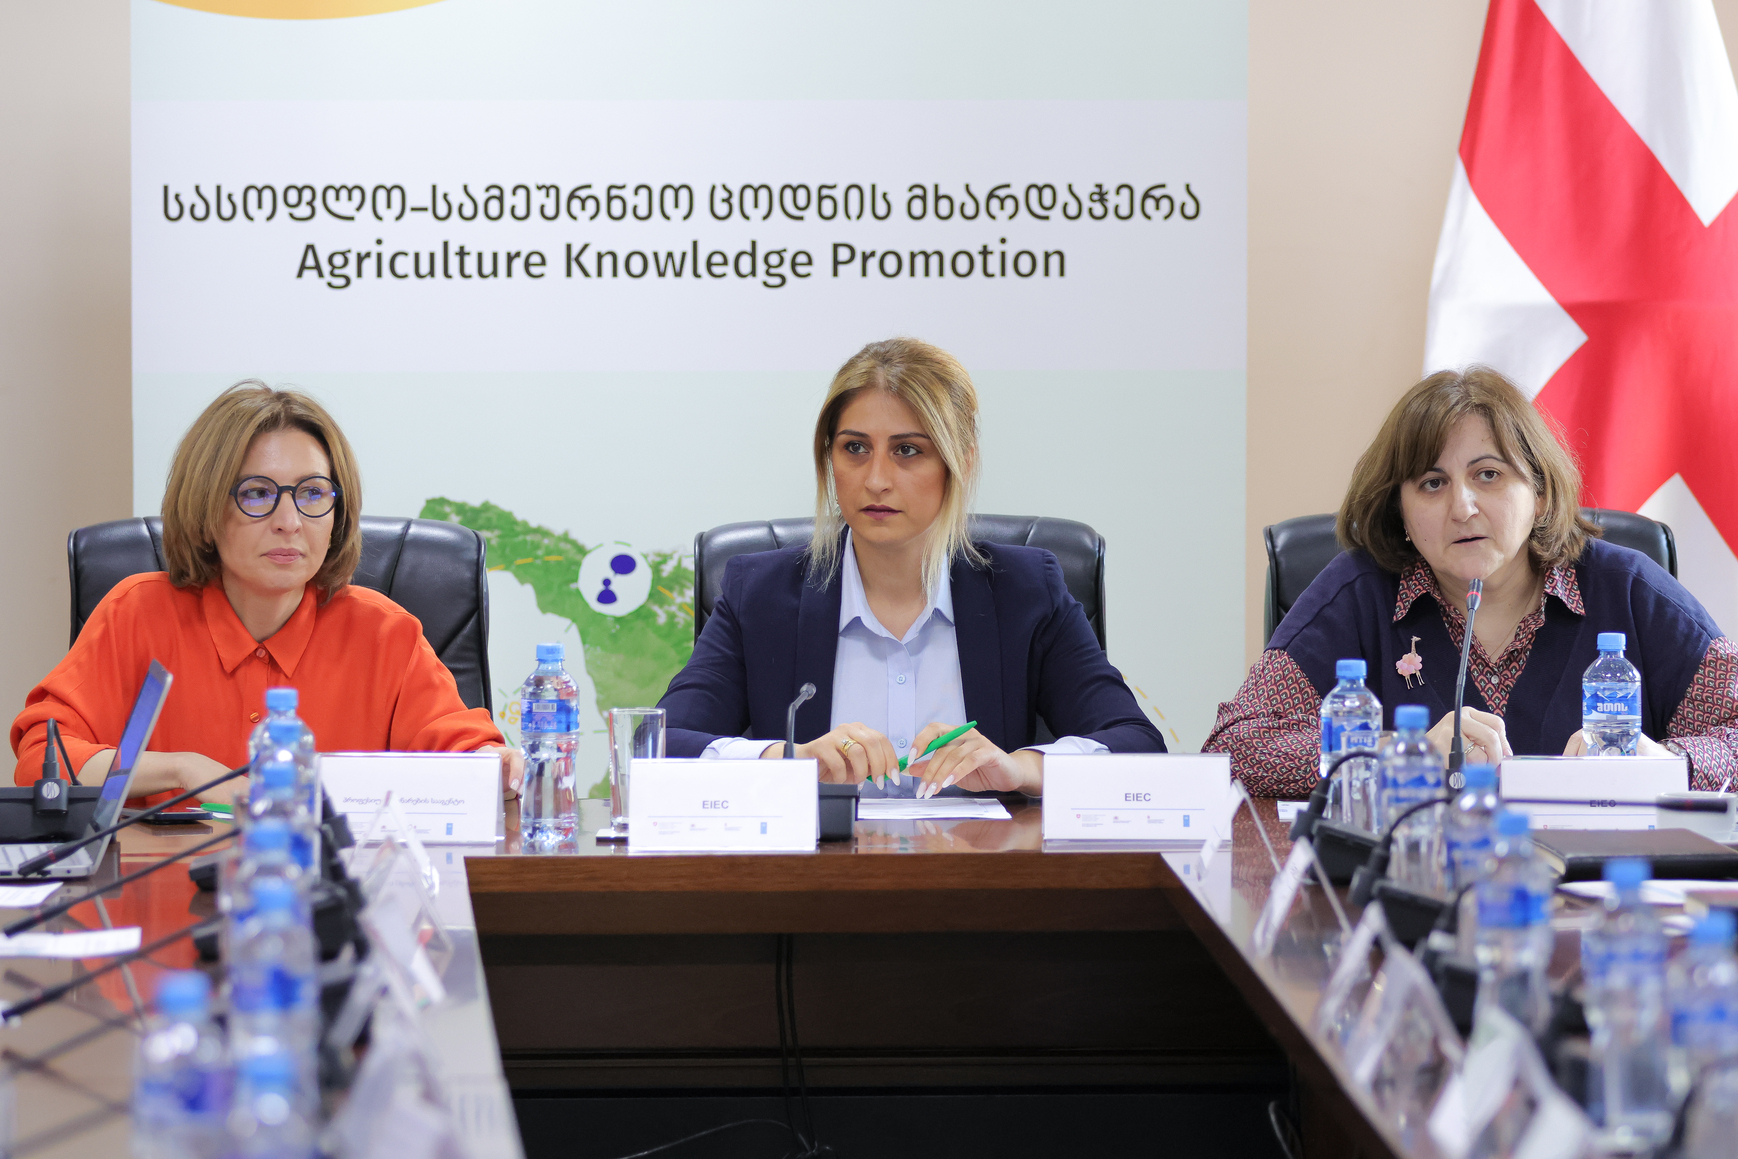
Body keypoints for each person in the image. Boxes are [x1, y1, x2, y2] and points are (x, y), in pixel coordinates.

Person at [656, 337, 1164, 798]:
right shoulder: (758, 595)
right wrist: (790, 761)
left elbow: (1137, 744)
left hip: (981, 867)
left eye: (907, 450)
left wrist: (1020, 768)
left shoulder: (1027, 590)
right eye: (855, 448)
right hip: (817, 869)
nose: (876, 479)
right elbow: (659, 745)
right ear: (829, 458)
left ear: (960, 462)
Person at [1206, 366, 1738, 797]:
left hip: (1593, 886)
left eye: (1488, 475)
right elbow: (1234, 748)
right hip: (1409, 881)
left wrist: (1668, 764)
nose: (1462, 507)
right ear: (1401, 511)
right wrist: (1401, 754)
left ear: (1540, 494)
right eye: (1432, 483)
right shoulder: (1359, 593)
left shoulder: (1628, 590)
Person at [10, 381, 523, 803]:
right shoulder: (137, 614)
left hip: (328, 890)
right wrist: (186, 770)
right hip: (164, 889)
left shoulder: (385, 633)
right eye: (257, 493)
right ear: (206, 511)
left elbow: (466, 755)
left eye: (312, 493)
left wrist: (495, 766)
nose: (289, 521)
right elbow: (43, 762)